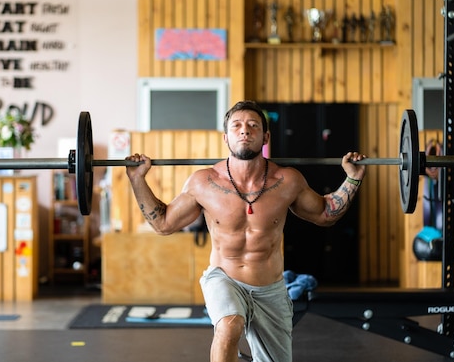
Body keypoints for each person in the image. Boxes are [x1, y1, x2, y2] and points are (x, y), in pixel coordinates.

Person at [125, 100, 367, 362]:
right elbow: (163, 223)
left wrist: (352, 178)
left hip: (270, 289)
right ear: (226, 137)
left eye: (253, 125)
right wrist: (137, 180)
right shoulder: (203, 183)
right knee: (229, 325)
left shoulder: (287, 181)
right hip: (224, 278)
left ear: (265, 136)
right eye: (237, 126)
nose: (245, 131)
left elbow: (324, 214)